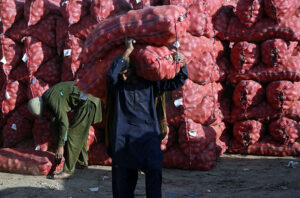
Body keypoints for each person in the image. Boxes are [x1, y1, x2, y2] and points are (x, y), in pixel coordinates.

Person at [105, 39, 188, 198]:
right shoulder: (117, 87)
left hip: (148, 138)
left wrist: (182, 63)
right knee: (123, 187)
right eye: (124, 69)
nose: (125, 73)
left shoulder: (151, 85)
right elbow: (111, 76)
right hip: (123, 140)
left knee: (154, 175)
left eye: (128, 69)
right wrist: (127, 52)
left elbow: (177, 81)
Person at [27, 81, 102, 179]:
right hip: (89, 99)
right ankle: (82, 162)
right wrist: (58, 141)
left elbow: (64, 122)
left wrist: (60, 147)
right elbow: (56, 122)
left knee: (73, 134)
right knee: (80, 132)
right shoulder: (47, 96)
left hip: (89, 102)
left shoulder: (51, 99)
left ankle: (68, 171)